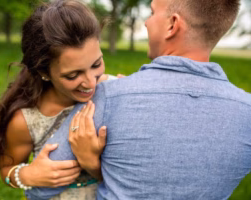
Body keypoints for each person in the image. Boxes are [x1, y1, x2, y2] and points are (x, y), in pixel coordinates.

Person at [31, 0, 251, 199]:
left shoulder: (108, 97)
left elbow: (41, 186)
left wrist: (93, 166)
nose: (146, 23)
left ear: (172, 25)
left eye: (153, 12)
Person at [0, 0, 117, 199]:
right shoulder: (26, 120)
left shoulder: (111, 92)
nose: (90, 82)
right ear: (44, 72)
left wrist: (91, 162)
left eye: (96, 64)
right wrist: (28, 175)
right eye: (73, 75)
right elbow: (6, 170)